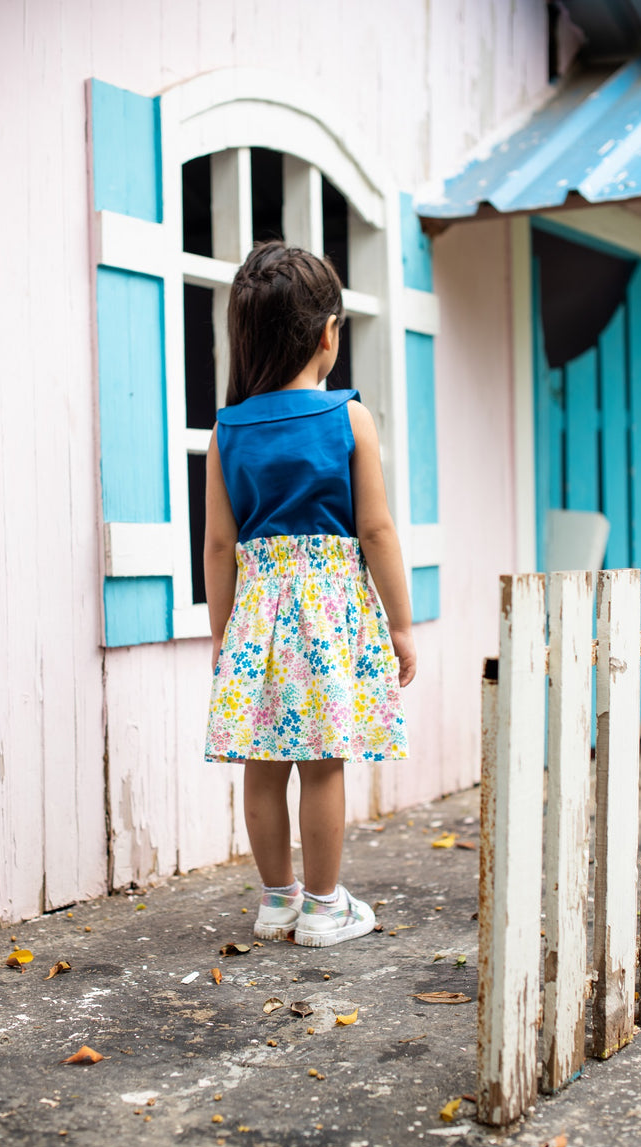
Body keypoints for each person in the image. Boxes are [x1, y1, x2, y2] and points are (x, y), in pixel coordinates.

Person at [204, 241, 416, 949]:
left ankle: (276, 901)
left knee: (262, 767)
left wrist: (222, 633)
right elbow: (378, 529)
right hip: (325, 621)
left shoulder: (226, 433)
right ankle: (325, 908)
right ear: (328, 334)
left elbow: (217, 547)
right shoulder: (346, 418)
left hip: (256, 619)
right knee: (323, 764)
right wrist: (402, 624)